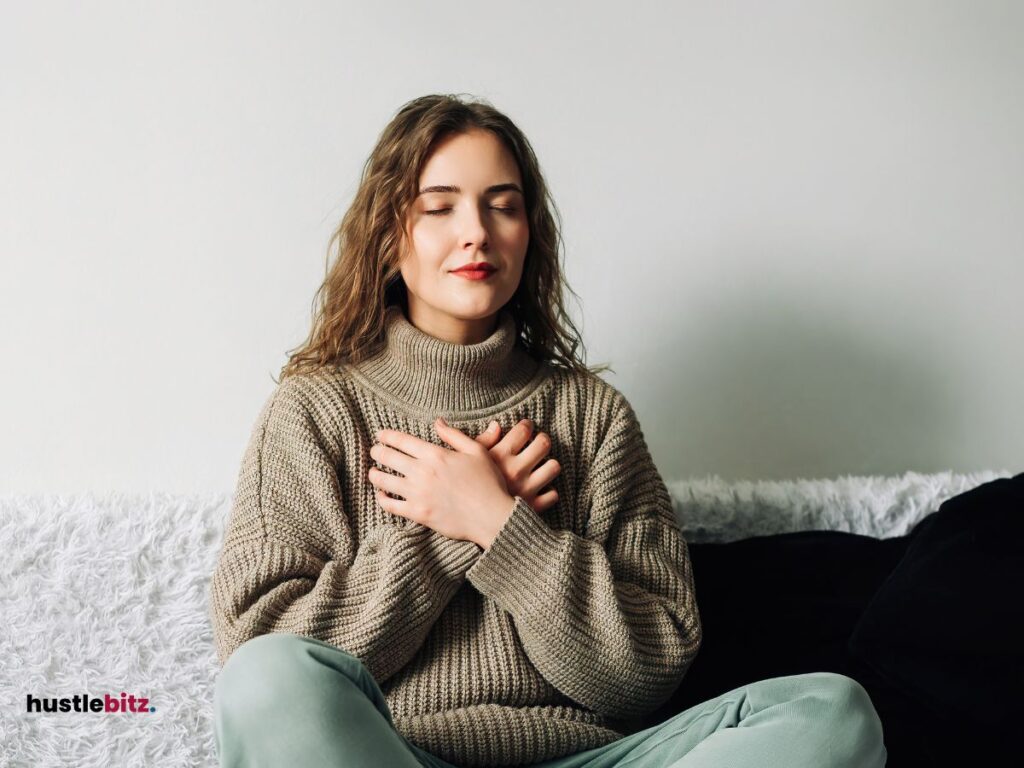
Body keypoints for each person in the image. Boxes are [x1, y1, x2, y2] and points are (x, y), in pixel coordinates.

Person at [208, 93, 887, 767]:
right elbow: (262, 649)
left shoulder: (594, 417)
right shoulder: (315, 411)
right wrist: (442, 535)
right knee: (265, 680)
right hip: (396, 756)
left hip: (590, 759)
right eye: (439, 206)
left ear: (529, 232)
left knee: (831, 714)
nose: (475, 231)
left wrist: (503, 527)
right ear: (390, 234)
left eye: (502, 205)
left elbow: (645, 671)